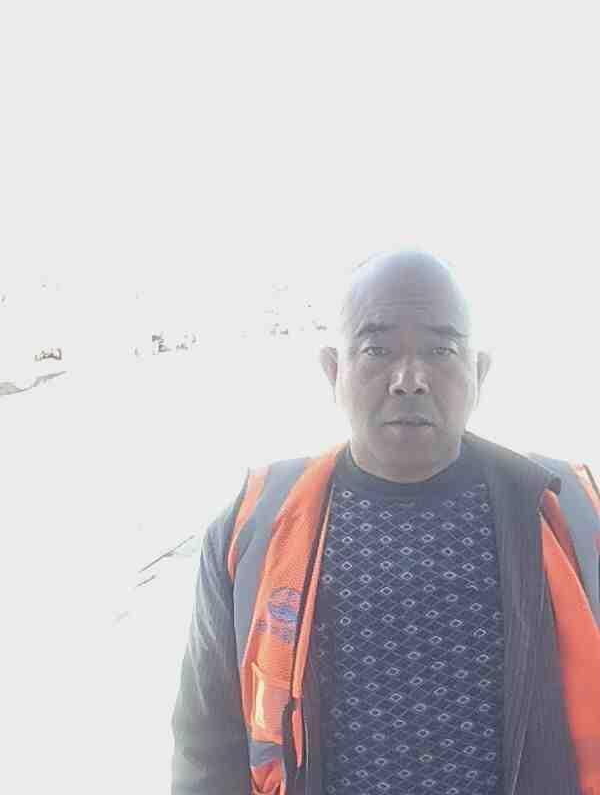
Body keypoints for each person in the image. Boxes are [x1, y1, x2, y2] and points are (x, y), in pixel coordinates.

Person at [171, 250, 600, 795]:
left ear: (478, 373)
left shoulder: (570, 516)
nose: (409, 380)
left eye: (441, 350)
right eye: (377, 349)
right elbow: (207, 749)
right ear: (334, 371)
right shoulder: (256, 526)